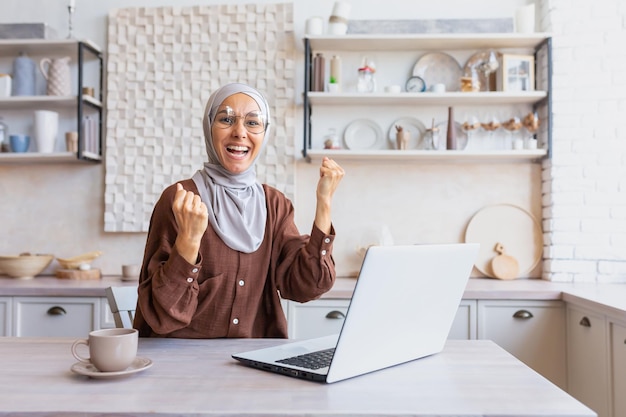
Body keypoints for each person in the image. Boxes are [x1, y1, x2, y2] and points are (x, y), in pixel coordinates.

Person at [133, 82, 345, 338]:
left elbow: (307, 286)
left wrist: (324, 203)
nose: (240, 132)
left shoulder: (275, 205)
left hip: (252, 363)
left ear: (264, 134)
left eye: (253, 122)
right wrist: (188, 242)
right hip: (182, 363)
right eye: (226, 119)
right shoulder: (180, 199)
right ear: (208, 128)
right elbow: (162, 315)